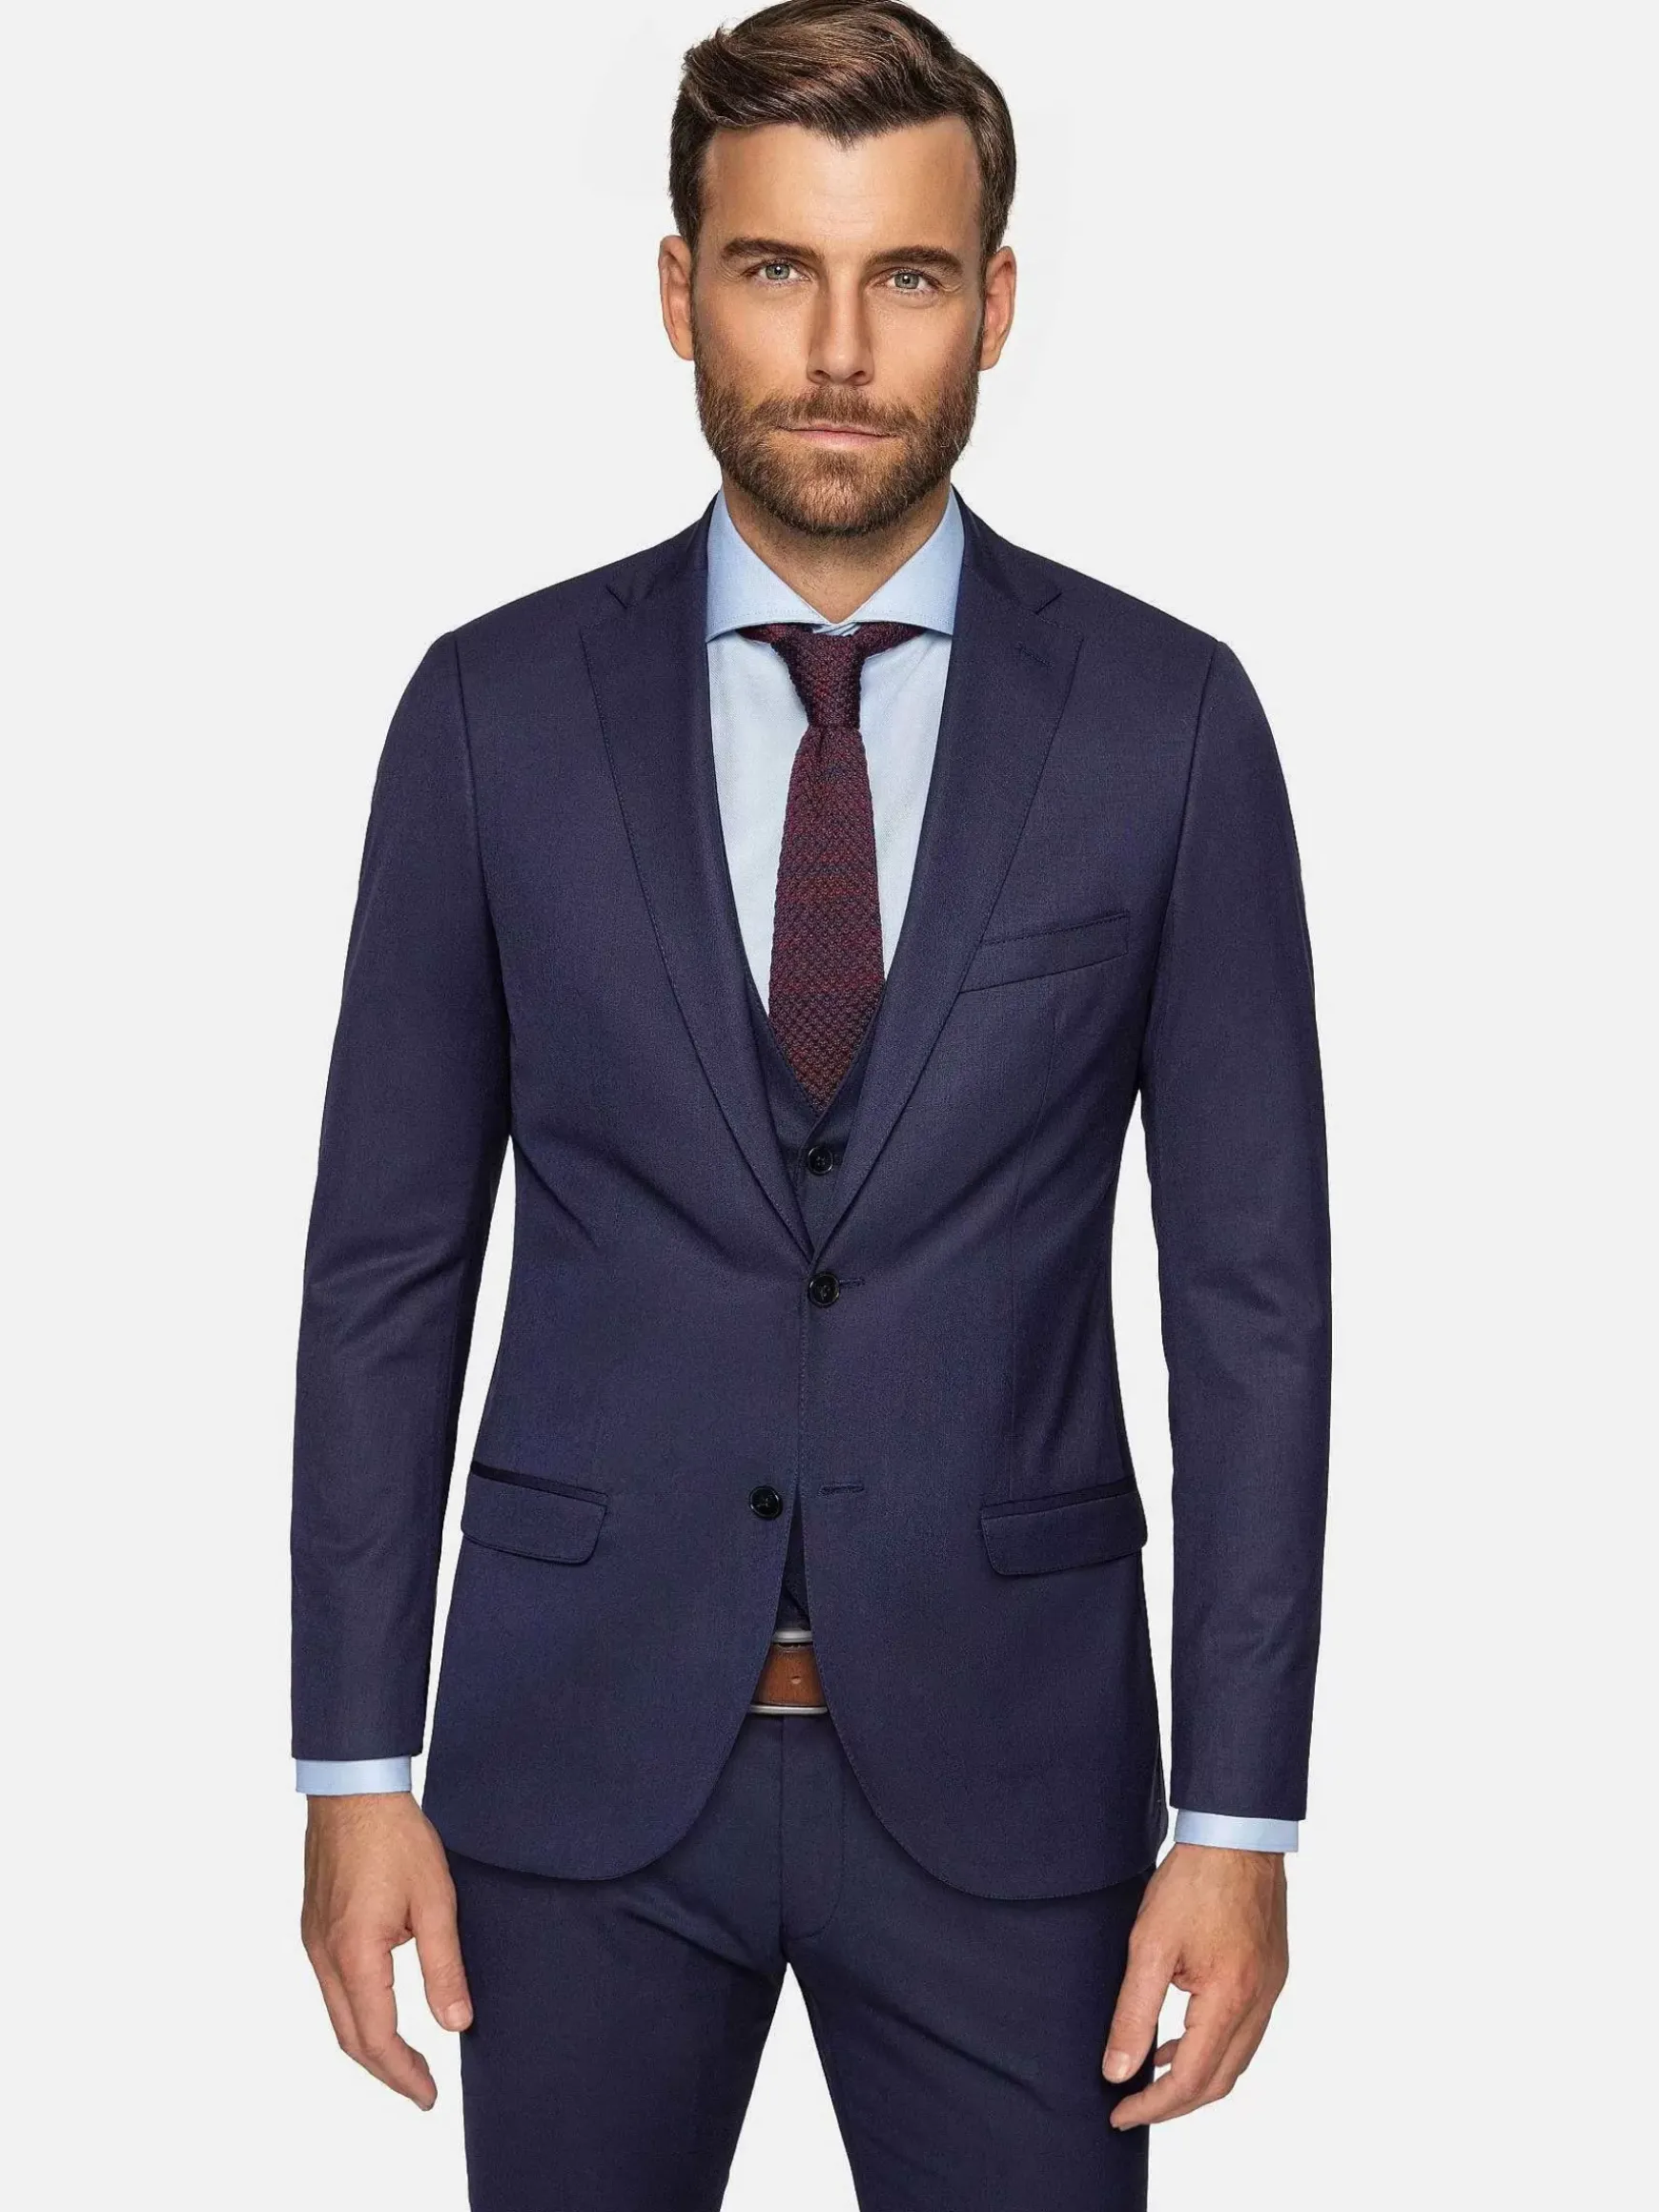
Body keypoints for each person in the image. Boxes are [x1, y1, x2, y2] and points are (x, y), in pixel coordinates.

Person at [292, 5, 1332, 2205]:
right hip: (573, 1768)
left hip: (1020, 1777)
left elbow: (1253, 1306)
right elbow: (385, 1270)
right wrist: (352, 1765)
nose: (843, 349)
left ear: (997, 302)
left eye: (908, 275)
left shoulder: (1166, 725)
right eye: (778, 268)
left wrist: (1238, 1816)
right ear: (681, 289)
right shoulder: (491, 715)